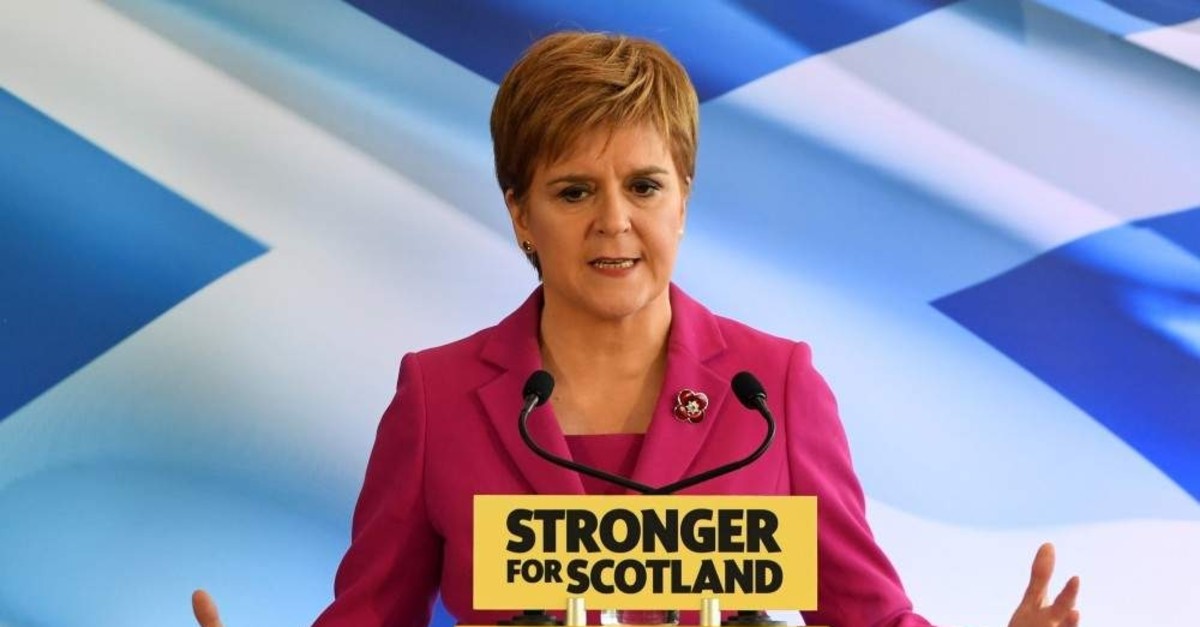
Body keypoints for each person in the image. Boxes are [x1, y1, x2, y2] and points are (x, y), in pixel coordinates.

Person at [193, 31, 1081, 627]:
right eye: (574, 191)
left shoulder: (773, 389)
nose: (614, 221)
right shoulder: (437, 397)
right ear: (520, 215)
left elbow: (866, 616)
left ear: (683, 200)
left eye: (645, 186)